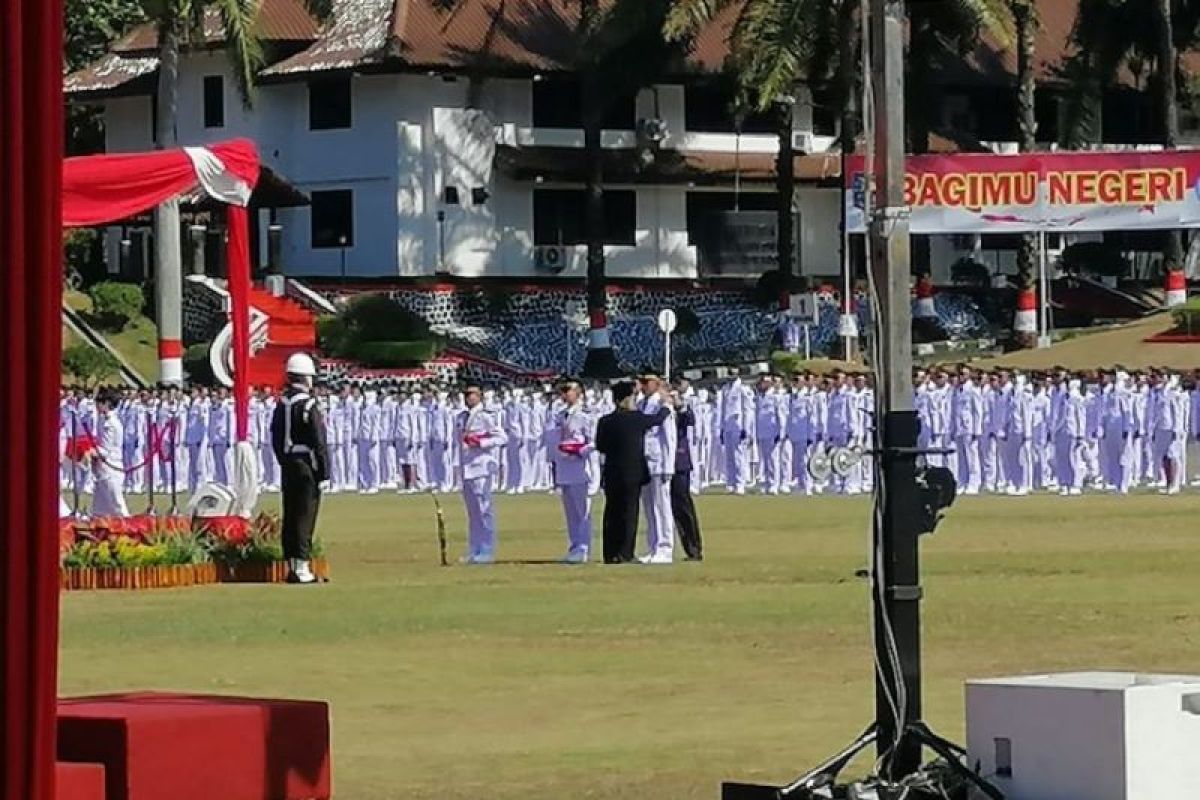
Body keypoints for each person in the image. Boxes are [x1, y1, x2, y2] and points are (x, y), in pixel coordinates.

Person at [595, 380, 670, 564]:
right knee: (629, 515)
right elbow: (657, 419)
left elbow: (601, 446)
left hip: (612, 473)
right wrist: (666, 405)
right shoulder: (636, 418)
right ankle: (625, 552)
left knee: (611, 513)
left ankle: (610, 552)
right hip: (632, 474)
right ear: (627, 399)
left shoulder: (605, 421)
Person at [271, 352, 328, 585]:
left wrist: (283, 459)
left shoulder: (281, 403)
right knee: (305, 516)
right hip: (306, 465)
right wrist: (324, 472)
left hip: (288, 464)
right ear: (306, 378)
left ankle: (293, 564)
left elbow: (275, 436)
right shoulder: (308, 404)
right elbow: (319, 440)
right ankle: (302, 567)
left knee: (291, 514)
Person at [456, 384, 507, 564]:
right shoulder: (461, 417)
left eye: (472, 394)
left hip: (481, 467)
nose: (468, 397)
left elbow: (502, 438)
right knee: (473, 513)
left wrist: (481, 442)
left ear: (480, 397)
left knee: (484, 510)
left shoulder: (486, 416)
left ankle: (486, 549)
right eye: (466, 394)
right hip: (467, 467)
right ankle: (474, 548)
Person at [548, 380, 594, 563]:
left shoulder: (586, 415)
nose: (565, 394)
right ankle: (574, 545)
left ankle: (583, 548)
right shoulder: (560, 414)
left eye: (569, 390)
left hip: (579, 467)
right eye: (563, 391)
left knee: (581, 510)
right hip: (564, 467)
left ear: (579, 393)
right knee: (570, 512)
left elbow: (593, 441)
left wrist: (579, 451)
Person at [670, 389, 703, 561]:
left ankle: (693, 547)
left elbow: (689, 420)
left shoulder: (678, 410)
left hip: (678, 461)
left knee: (682, 506)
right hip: (659, 464)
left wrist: (680, 406)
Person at [90, 389, 130, 518]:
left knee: (118, 506)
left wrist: (88, 450)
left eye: (99, 402)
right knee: (99, 509)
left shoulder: (112, 423)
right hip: (102, 469)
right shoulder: (104, 420)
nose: (97, 405)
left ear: (107, 403)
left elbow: (106, 451)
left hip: (111, 468)